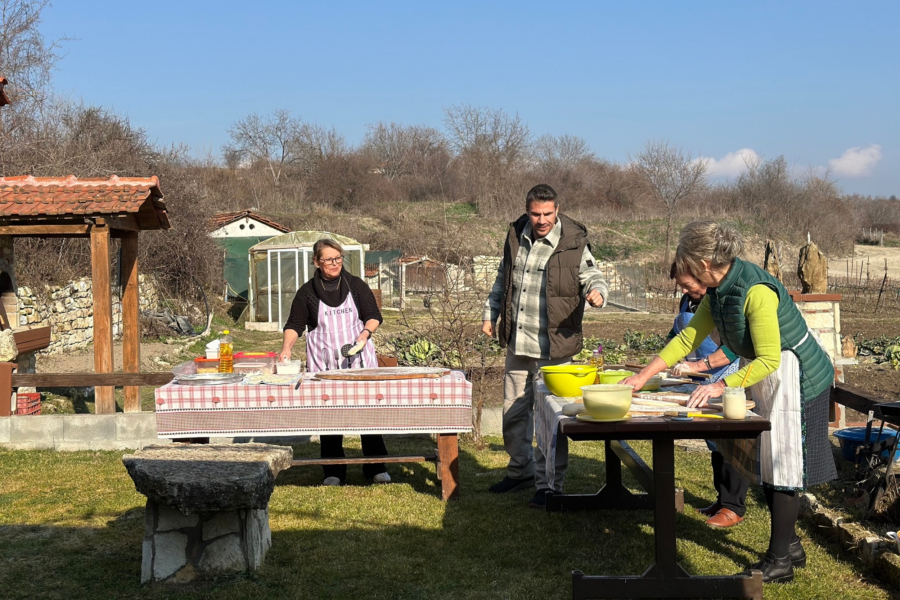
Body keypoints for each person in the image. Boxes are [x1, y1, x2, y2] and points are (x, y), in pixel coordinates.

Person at [622, 221, 836, 584]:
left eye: (685, 264)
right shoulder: (719, 290)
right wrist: (642, 376)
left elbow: (769, 358)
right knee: (768, 461)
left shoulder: (756, 291)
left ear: (703, 263)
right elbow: (688, 337)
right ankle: (791, 546)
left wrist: (721, 387)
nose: (682, 275)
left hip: (795, 376)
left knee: (783, 465)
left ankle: (779, 562)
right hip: (768, 373)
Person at [482, 183, 608, 508]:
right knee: (513, 415)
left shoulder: (574, 242)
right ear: (528, 211)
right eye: (536, 214)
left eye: (548, 213)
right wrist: (490, 314)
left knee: (550, 421)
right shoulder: (515, 236)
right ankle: (519, 470)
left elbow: (594, 276)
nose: (542, 220)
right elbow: (501, 279)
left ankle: (549, 485)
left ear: (557, 209)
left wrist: (597, 294)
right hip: (517, 344)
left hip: (555, 350)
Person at [279, 238, 391, 486]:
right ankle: (333, 471)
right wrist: (286, 348)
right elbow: (295, 324)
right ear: (316, 262)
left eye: (338, 258)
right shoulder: (307, 292)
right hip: (324, 364)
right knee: (329, 416)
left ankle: (376, 467)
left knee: (367, 413)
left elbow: (373, 316)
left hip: (359, 362)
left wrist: (365, 334)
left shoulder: (356, 285)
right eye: (328, 259)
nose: (334, 263)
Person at [667, 263, 749, 529]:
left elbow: (736, 348)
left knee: (729, 436)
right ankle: (722, 499)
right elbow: (677, 336)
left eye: (687, 283)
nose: (684, 289)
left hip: (729, 373)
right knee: (714, 438)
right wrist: (660, 363)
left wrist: (700, 367)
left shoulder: (726, 301)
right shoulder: (689, 301)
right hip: (702, 375)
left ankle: (734, 506)